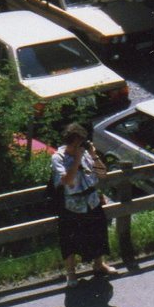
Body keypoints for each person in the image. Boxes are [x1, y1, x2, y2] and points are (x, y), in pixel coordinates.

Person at [52, 122, 118, 286]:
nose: (79, 147)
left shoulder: (86, 153)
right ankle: (71, 274)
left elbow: (103, 175)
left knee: (98, 234)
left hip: (92, 201)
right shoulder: (58, 158)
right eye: (76, 144)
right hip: (72, 205)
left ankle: (99, 264)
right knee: (70, 241)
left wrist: (93, 154)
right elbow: (67, 181)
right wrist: (77, 160)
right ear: (69, 143)